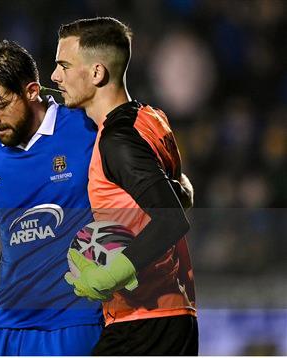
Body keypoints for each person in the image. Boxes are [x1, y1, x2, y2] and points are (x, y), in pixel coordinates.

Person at [0, 40, 103, 355]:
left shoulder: (87, 126)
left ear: (32, 91)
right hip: (8, 327)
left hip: (76, 322)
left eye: (0, 106)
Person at [51, 17, 198, 355]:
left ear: (97, 73)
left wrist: (110, 275)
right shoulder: (149, 118)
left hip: (145, 321)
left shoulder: (118, 140)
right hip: (167, 317)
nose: (55, 76)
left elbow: (172, 218)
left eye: (63, 65)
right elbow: (181, 191)